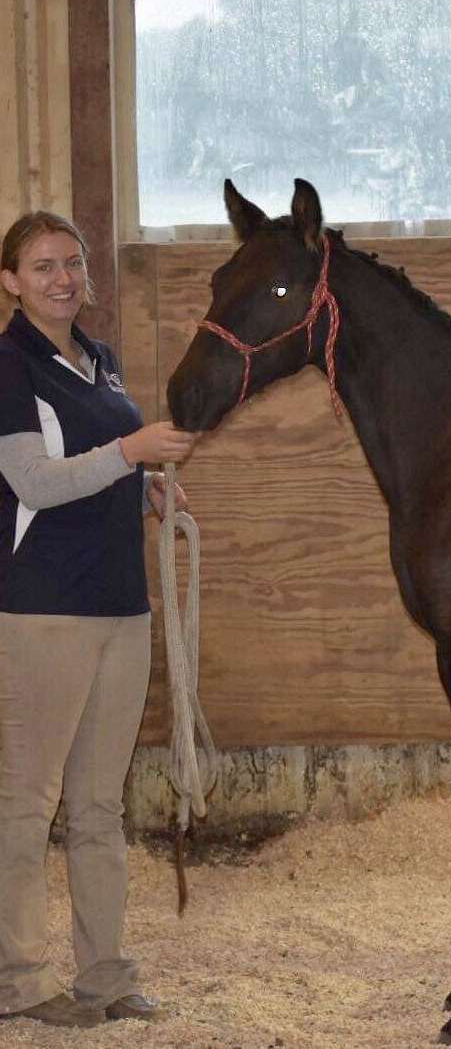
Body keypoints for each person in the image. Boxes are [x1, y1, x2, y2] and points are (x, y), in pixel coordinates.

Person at [0, 211, 195, 1028]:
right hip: (45, 607)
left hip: (119, 603)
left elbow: (102, 466)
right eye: (43, 266)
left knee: (98, 804)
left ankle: (105, 974)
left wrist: (145, 486)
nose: (63, 278)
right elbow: (33, 484)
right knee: (26, 800)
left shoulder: (102, 362)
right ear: (12, 281)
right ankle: (18, 978)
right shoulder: (10, 365)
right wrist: (129, 452)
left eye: (73, 263)